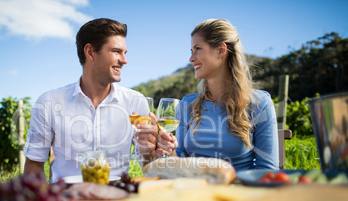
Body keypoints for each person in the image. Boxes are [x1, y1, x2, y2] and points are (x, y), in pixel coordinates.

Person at [24, 18, 158, 182]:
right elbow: (34, 165)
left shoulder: (135, 102)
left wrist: (149, 151)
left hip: (116, 197)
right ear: (90, 52)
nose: (124, 60)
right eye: (116, 51)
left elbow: (148, 166)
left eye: (125, 53)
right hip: (67, 199)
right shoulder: (48, 102)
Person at [157, 19, 279, 170]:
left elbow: (267, 169)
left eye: (198, 49)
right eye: (191, 51)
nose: (191, 58)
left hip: (239, 191)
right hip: (193, 190)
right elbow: (180, 164)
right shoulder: (187, 104)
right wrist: (170, 150)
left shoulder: (259, 103)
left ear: (221, 50)